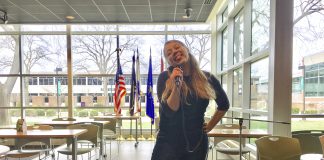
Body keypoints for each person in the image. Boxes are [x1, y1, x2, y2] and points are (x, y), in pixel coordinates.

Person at [151, 40, 230, 160]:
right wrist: (176, 86)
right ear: (168, 61)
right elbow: (170, 111)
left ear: (186, 49)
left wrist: (209, 126)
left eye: (177, 47)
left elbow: (224, 104)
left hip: (197, 143)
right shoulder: (165, 78)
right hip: (168, 143)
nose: (174, 52)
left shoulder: (207, 78)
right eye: (169, 53)